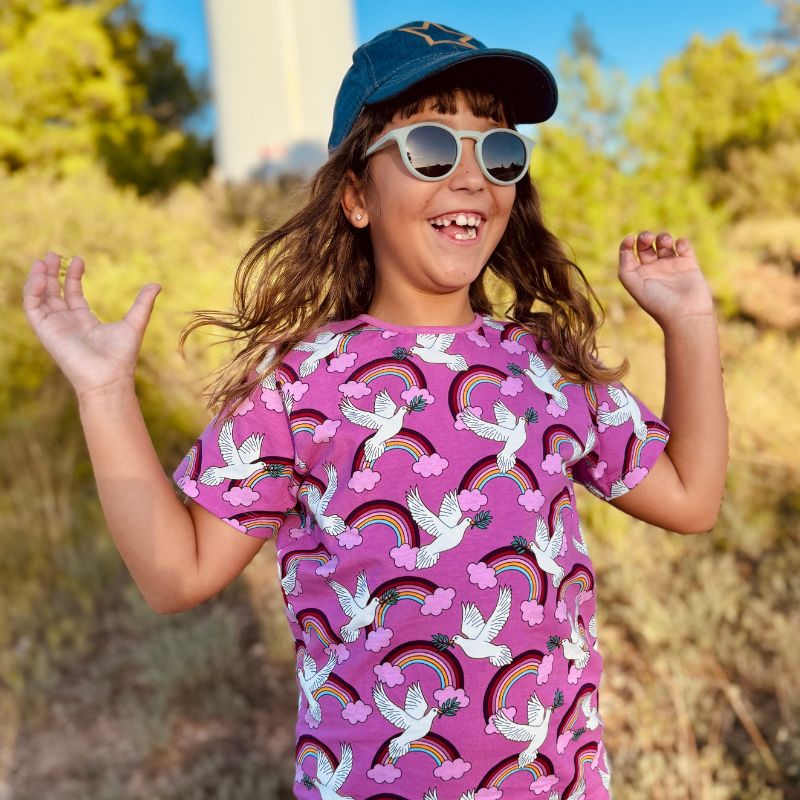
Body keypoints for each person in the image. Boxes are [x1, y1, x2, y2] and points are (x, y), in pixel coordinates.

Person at [23, 19, 728, 800]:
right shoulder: (300, 384)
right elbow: (174, 575)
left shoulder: (549, 370)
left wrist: (689, 323)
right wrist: (103, 394)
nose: (470, 178)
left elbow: (692, 499)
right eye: (431, 148)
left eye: (498, 153)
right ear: (356, 195)